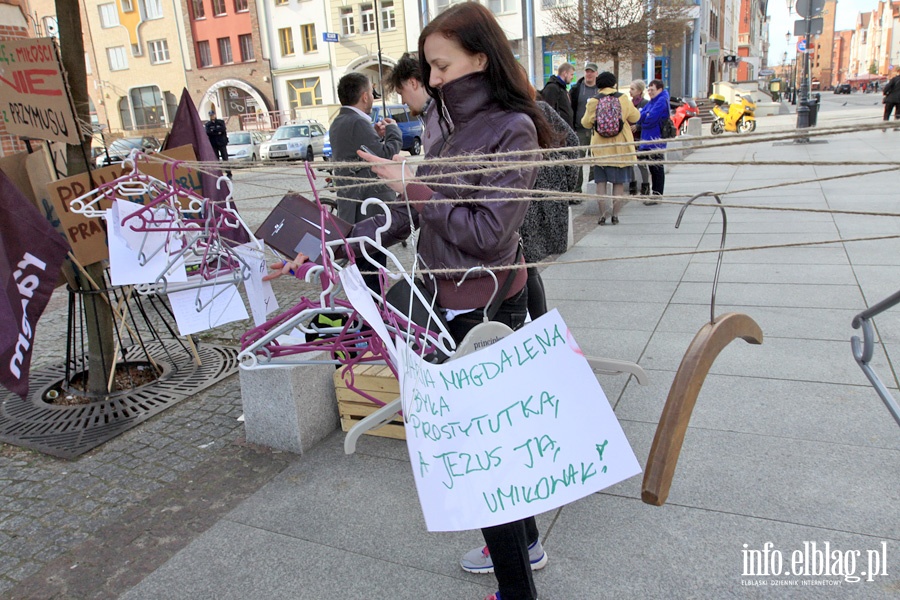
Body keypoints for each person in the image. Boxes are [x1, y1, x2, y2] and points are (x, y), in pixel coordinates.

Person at [354, 3, 558, 599]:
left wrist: (410, 185)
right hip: (450, 298)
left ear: (480, 57)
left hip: (492, 305)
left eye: (442, 66)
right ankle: (527, 544)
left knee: (490, 454)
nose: (434, 79)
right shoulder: (443, 121)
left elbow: (486, 233)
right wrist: (359, 238)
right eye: (430, 68)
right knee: (499, 448)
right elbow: (429, 212)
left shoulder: (513, 129)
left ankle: (517, 588)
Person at [329, 72, 402, 290]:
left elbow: (358, 152)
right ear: (364, 96)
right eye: (371, 92)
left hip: (352, 208)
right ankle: (375, 317)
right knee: (373, 272)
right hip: (368, 210)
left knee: (365, 270)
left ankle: (369, 315)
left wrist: (373, 134)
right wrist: (393, 131)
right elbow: (384, 157)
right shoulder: (356, 122)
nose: (372, 96)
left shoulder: (339, 121)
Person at [521, 91, 580, 318]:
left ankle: (539, 324)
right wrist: (565, 184)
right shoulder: (541, 108)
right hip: (547, 196)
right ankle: (540, 322)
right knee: (528, 266)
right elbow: (572, 143)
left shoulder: (514, 113)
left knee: (525, 266)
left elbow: (572, 143)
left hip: (528, 201)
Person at [581, 71, 640, 225]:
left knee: (601, 183)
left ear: (598, 85)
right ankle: (615, 216)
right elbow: (635, 117)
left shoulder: (593, 101)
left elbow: (585, 123)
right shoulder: (623, 98)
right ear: (614, 83)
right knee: (618, 184)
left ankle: (602, 216)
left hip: (600, 149)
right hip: (620, 149)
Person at [638, 79, 670, 204]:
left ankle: (657, 195)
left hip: (655, 139)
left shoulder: (661, 100)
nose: (649, 92)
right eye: (649, 90)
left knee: (657, 168)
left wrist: (644, 115)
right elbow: (640, 117)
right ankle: (655, 194)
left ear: (660, 89)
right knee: (652, 167)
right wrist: (644, 115)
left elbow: (651, 118)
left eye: (652, 90)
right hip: (648, 138)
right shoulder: (653, 101)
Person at [569, 62, 599, 193]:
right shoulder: (576, 89)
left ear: (596, 74)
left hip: (596, 131)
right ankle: (576, 190)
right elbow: (570, 108)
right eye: (587, 71)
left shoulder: (601, 89)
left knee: (595, 161)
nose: (589, 74)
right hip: (579, 130)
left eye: (592, 71)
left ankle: (593, 189)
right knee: (578, 161)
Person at [386, 52, 432, 117]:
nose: (403, 102)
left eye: (401, 93)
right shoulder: (435, 113)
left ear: (413, 83)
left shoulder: (438, 116)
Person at [627, 79, 651, 197]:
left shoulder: (645, 103)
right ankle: (632, 185)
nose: (630, 91)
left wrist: (638, 126)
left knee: (642, 163)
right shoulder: (628, 103)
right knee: (630, 162)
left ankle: (645, 186)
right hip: (630, 137)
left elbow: (647, 119)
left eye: (633, 89)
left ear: (640, 91)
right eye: (630, 89)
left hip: (640, 137)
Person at [205, 108, 231, 178]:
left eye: (212, 115)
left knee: (225, 159)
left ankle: (228, 173)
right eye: (210, 115)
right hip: (214, 144)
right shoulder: (208, 124)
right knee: (216, 160)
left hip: (222, 143)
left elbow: (222, 129)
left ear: (215, 115)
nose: (212, 116)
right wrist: (217, 132)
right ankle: (218, 174)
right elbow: (208, 132)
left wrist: (214, 131)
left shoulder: (220, 122)